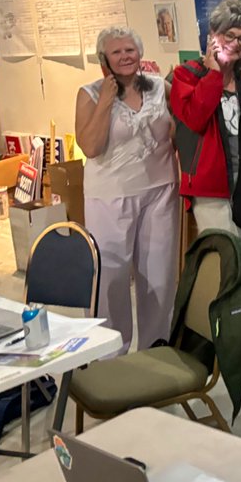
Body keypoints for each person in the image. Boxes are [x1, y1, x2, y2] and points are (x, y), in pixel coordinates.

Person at [170, 0, 241, 306]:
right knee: (226, 270)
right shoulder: (186, 76)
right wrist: (214, 74)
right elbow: (194, 118)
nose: (234, 43)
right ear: (212, 36)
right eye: (228, 35)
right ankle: (230, 344)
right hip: (212, 192)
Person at [76, 27, 179, 354]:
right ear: (103, 59)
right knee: (111, 280)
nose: (125, 56)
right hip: (109, 198)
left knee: (160, 277)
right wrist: (106, 100)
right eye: (117, 52)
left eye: (130, 50)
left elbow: (180, 134)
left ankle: (155, 349)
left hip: (160, 192)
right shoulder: (89, 93)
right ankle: (110, 355)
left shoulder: (161, 87)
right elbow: (90, 146)